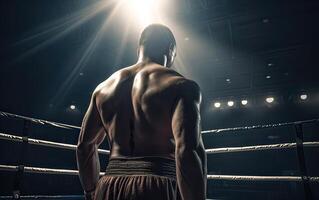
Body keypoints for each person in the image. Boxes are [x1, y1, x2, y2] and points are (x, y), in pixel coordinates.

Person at [76, 24, 207, 200]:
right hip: (157, 185)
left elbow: (84, 146)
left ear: (139, 49)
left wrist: (91, 191)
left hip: (108, 186)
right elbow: (187, 150)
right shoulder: (181, 86)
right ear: (170, 50)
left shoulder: (103, 89)